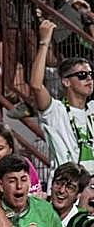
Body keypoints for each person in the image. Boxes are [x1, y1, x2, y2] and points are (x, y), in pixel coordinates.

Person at [29, 20, 94, 171]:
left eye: (91, 74)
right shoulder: (56, 111)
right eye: (82, 75)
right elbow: (36, 85)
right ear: (66, 82)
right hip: (65, 188)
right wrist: (44, 42)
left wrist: (90, 22)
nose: (89, 79)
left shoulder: (92, 108)